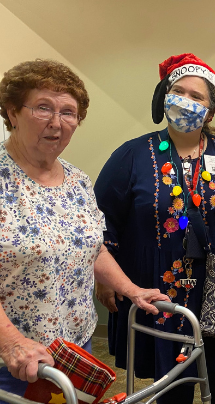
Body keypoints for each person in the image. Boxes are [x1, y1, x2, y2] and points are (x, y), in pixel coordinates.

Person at [93, 54, 215, 404]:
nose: (186, 101)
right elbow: (100, 218)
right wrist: (104, 278)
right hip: (157, 286)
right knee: (170, 381)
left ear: (211, 110)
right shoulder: (132, 155)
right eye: (177, 91)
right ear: (163, 98)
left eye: (197, 97)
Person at [0, 59, 167, 398]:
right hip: (15, 359)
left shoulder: (77, 181)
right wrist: (12, 343)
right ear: (12, 112)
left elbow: (94, 247)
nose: (56, 122)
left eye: (68, 113)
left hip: (74, 351)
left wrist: (131, 289)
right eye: (43, 108)